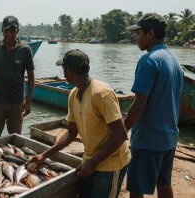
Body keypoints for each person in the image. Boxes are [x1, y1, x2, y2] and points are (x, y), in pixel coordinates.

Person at [30, 49, 131, 198]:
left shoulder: (101, 94)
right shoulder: (74, 94)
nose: (63, 72)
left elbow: (120, 135)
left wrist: (93, 163)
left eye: (64, 69)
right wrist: (44, 155)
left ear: (69, 71)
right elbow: (71, 133)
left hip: (111, 164)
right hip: (90, 160)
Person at [124, 13, 183, 198]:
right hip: (169, 138)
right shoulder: (174, 61)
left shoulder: (148, 61)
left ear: (150, 34)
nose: (136, 38)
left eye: (138, 33)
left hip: (148, 140)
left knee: (136, 189)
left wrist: (121, 130)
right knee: (163, 184)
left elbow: (139, 106)